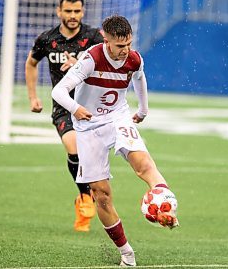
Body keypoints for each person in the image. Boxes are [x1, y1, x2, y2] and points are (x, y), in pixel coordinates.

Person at [51, 15, 178, 267]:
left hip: (118, 118)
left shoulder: (134, 59)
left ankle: (167, 205)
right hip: (87, 127)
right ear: (105, 39)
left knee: (144, 166)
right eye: (120, 46)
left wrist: (142, 110)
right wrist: (76, 108)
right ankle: (127, 253)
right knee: (102, 194)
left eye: (129, 44)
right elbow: (58, 91)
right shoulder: (91, 59)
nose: (125, 50)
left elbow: (140, 78)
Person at [25, 0, 104, 232]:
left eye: (77, 11)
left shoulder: (94, 37)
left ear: (83, 12)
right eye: (68, 11)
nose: (72, 16)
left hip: (91, 107)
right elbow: (31, 63)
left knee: (96, 164)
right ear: (59, 11)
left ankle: (83, 201)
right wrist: (33, 97)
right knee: (74, 149)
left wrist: (80, 66)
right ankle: (85, 198)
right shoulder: (47, 39)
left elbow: (107, 63)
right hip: (64, 107)